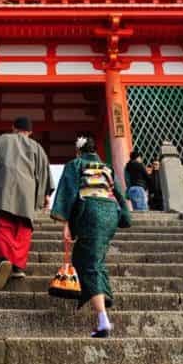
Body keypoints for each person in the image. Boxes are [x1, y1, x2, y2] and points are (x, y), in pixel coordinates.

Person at [51, 135, 132, 338]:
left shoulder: (76, 164)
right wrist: (125, 216)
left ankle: (103, 318)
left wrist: (65, 222)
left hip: (91, 212)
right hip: (111, 213)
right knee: (87, 257)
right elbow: (119, 194)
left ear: (79, 151)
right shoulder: (107, 168)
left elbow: (68, 192)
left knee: (89, 263)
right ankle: (104, 295)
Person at [0, 116, 53, 290]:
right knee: (22, 228)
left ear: (13, 127)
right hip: (27, 193)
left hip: (5, 189)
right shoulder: (37, 148)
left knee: (2, 224)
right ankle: (17, 266)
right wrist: (45, 195)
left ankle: (4, 259)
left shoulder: (1, 140)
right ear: (30, 132)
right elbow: (44, 173)